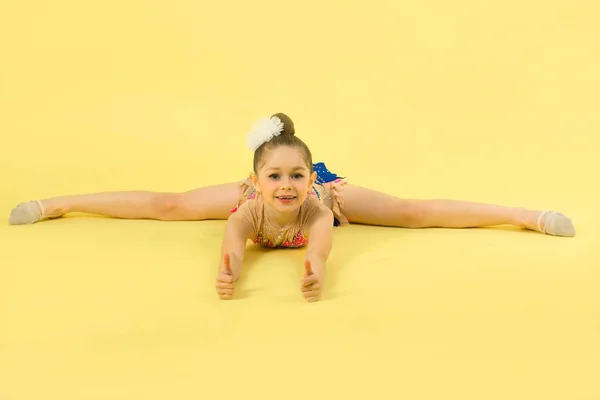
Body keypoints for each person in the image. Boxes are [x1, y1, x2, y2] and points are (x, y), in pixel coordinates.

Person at [8, 113, 576, 302]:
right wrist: (227, 268)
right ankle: (55, 204)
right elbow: (231, 239)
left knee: (410, 211)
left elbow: (323, 248)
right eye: (274, 177)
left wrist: (314, 272)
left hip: (333, 195)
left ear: (310, 176)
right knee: (169, 204)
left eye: (295, 177)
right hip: (251, 198)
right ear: (255, 180)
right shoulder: (248, 204)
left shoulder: (318, 203)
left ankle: (527, 216)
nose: (284, 186)